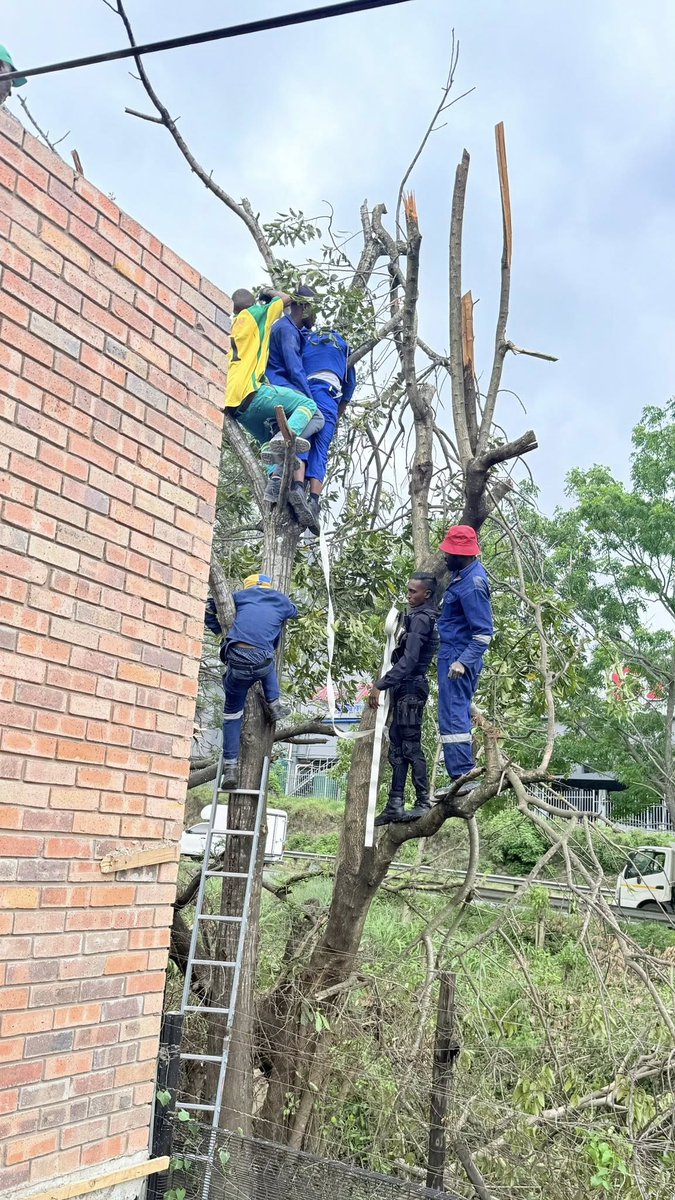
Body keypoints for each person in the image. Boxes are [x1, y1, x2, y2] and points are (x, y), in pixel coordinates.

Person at [224, 288, 320, 521]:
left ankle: (274, 484)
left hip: (235, 406)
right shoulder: (256, 315)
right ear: (251, 305)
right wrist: (267, 291)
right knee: (310, 408)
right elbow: (288, 298)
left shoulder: (232, 327)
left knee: (269, 441)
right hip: (252, 393)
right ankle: (283, 439)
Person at [204, 575, 297, 790]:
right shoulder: (280, 599)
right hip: (262, 662)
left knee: (231, 716)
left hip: (237, 661)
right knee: (267, 661)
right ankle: (274, 704)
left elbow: (209, 608)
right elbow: (294, 611)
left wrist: (221, 633)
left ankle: (230, 767)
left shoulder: (240, 597)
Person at [368, 573, 439, 826]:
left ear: (426, 594)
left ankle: (422, 802)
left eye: (413, 592)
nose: (408, 595)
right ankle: (394, 805)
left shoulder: (422, 619)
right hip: (403, 689)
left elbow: (409, 662)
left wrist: (380, 684)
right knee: (397, 747)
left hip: (411, 688)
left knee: (410, 746)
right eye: (408, 591)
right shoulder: (415, 617)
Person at [436, 525, 493, 797]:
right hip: (452, 651)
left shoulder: (472, 584)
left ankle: (463, 776)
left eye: (450, 552)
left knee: (453, 714)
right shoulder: (463, 575)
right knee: (456, 710)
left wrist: (462, 662)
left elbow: (483, 633)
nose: (445, 556)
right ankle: (462, 775)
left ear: (464, 555)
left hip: (458, 657)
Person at [263, 286, 325, 532]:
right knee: (317, 417)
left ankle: (277, 477)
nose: (316, 319)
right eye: (315, 312)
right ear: (305, 307)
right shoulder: (286, 329)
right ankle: (281, 448)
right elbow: (294, 368)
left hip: (280, 386)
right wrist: (309, 400)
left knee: (295, 437)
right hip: (282, 385)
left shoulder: (287, 329)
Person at [302, 328, 357, 527]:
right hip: (330, 397)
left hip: (306, 392)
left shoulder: (306, 340)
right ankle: (313, 501)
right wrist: (335, 415)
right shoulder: (342, 345)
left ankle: (298, 487)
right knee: (320, 449)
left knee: (301, 440)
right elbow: (349, 387)